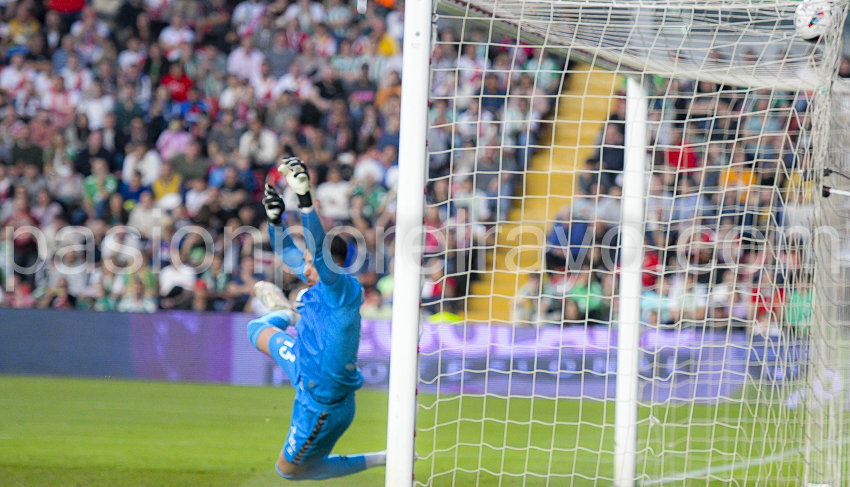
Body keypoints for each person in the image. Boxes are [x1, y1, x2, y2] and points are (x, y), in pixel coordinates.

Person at [247, 157, 386, 480]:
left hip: (323, 401)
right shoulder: (316, 279)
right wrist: (275, 219)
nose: (303, 267)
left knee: (289, 471)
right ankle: (285, 313)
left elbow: (318, 252)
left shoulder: (339, 289)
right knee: (256, 330)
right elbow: (284, 248)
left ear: (330, 265)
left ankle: (381, 458)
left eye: (309, 262)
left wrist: (305, 200)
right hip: (302, 366)